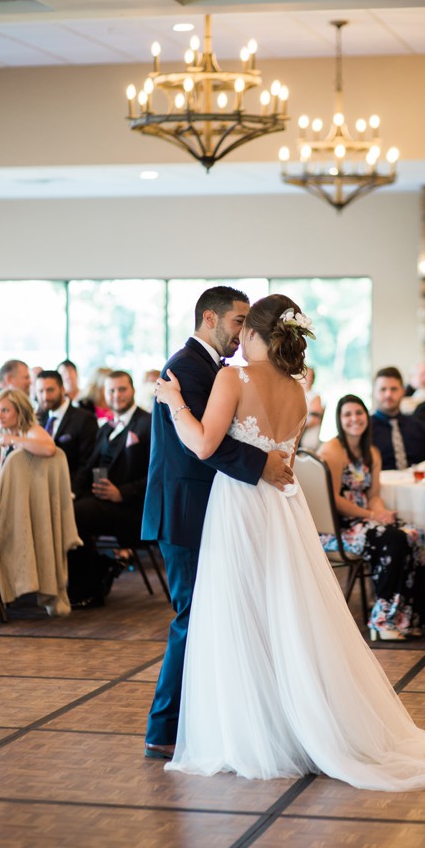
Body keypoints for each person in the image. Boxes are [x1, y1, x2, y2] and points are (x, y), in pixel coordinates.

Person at [152, 294, 425, 790]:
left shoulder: (233, 378)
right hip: (282, 507)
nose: (237, 342)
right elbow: (283, 455)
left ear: (259, 334)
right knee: (285, 615)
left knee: (242, 612)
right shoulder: (297, 390)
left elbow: (205, 444)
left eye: (245, 331)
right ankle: (294, 722)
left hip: (242, 507)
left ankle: (255, 730)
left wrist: (176, 403)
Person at [139, 286, 294, 760]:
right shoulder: (186, 366)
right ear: (210, 318)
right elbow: (204, 442)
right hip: (184, 510)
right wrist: (262, 463)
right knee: (190, 617)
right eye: (236, 322)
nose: (242, 332)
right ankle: (163, 729)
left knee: (212, 616)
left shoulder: (216, 370)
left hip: (211, 509)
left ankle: (206, 720)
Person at [316, 395, 424, 641]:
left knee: (413, 535)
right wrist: (372, 515)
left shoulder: (371, 452)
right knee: (393, 540)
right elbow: (333, 499)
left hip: (362, 521)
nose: (354, 419)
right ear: (339, 420)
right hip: (336, 528)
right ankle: (381, 622)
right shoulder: (333, 450)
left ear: (367, 416)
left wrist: (382, 514)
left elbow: (372, 494)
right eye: (347, 414)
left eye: (359, 413)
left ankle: (407, 619)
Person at [0, 389, 63, 615]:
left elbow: (49, 448)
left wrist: (16, 439)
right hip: (1, 507)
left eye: (6, 410)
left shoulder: (30, 432)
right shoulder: (9, 439)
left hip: (18, 515)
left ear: (20, 411)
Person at [67, 371, 151, 609]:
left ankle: (89, 589)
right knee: (65, 509)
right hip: (100, 502)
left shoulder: (147, 424)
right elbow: (88, 467)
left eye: (122, 389)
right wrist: (70, 492)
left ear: (132, 390)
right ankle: (98, 570)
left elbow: (157, 476)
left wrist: (121, 493)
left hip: (130, 507)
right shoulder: (105, 428)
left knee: (74, 515)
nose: (116, 395)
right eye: (111, 391)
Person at [367, 367, 425, 471]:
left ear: (403, 391)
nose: (388, 395)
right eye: (383, 389)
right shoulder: (365, 429)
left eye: (393, 389)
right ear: (374, 393)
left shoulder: (420, 427)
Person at [35, 369, 99, 467]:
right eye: (40, 391)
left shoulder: (85, 419)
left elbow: (88, 462)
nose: (45, 397)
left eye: (50, 390)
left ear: (62, 389)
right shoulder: (37, 419)